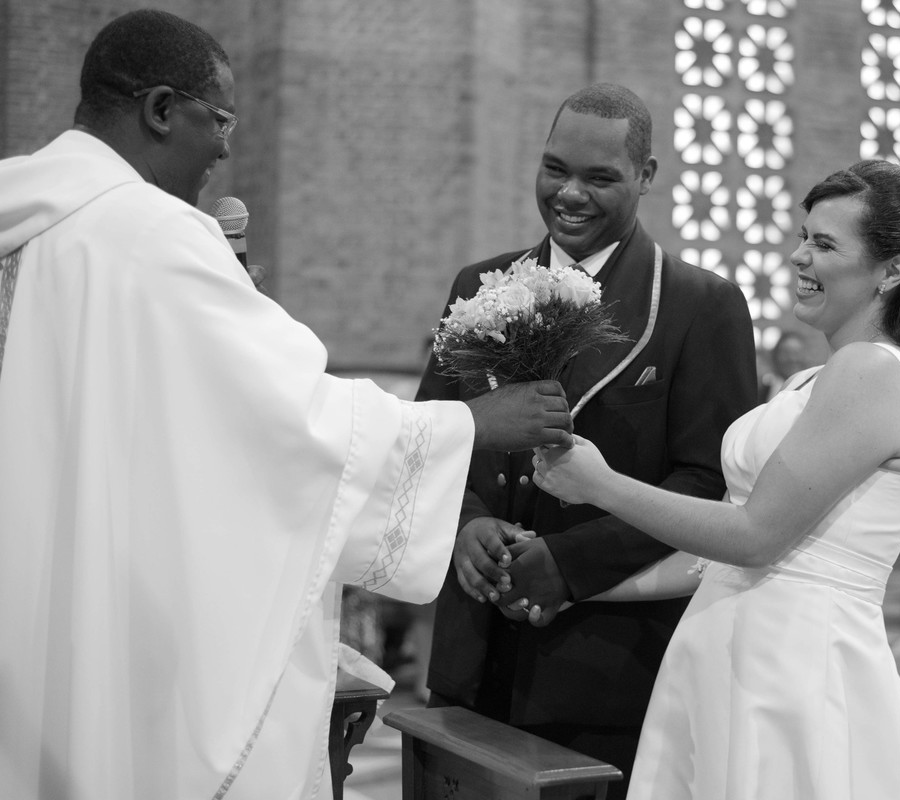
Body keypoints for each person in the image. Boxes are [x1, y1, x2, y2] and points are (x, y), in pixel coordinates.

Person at [0, 10, 573, 800]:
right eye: (219, 120)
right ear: (161, 110)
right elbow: (293, 421)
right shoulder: (150, 232)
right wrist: (471, 422)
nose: (225, 149)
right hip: (119, 616)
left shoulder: (27, 217)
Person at [532, 159, 900, 799]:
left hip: (789, 668)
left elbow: (755, 537)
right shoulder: (813, 380)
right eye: (803, 236)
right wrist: (574, 584)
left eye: (825, 244)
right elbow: (720, 561)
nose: (799, 257)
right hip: (733, 650)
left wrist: (600, 484)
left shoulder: (872, 371)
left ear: (891, 271)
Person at [415, 83, 757, 797]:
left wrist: (568, 564)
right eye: (554, 169)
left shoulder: (701, 305)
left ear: (646, 176)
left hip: (605, 671)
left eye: (599, 177)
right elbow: (430, 436)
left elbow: (705, 483)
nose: (569, 194)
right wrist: (466, 526)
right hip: (470, 653)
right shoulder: (478, 285)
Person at [757, 327, 826, 402]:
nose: (792, 359)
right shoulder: (762, 393)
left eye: (797, 353)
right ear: (775, 356)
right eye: (786, 353)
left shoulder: (816, 391)